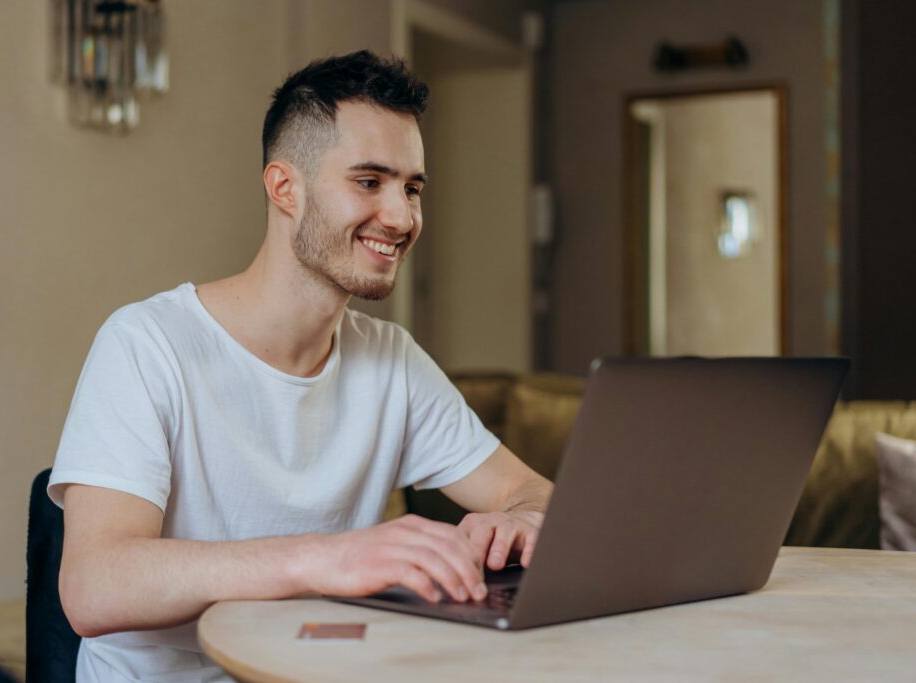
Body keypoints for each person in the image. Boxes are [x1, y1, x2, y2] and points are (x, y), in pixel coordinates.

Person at [51, 50, 553, 682]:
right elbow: (93, 587)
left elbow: (531, 491)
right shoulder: (147, 344)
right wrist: (325, 559)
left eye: (413, 187)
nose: (401, 217)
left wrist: (522, 521)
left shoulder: (390, 359)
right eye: (369, 182)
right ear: (285, 187)